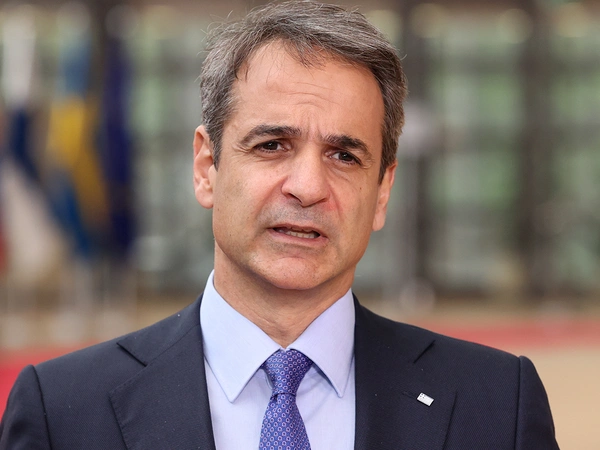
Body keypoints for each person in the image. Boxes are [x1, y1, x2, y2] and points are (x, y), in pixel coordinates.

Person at [0, 1, 559, 449]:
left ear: (382, 191)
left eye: (344, 156)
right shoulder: (61, 413)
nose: (307, 186)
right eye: (272, 145)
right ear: (207, 168)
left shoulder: (496, 406)